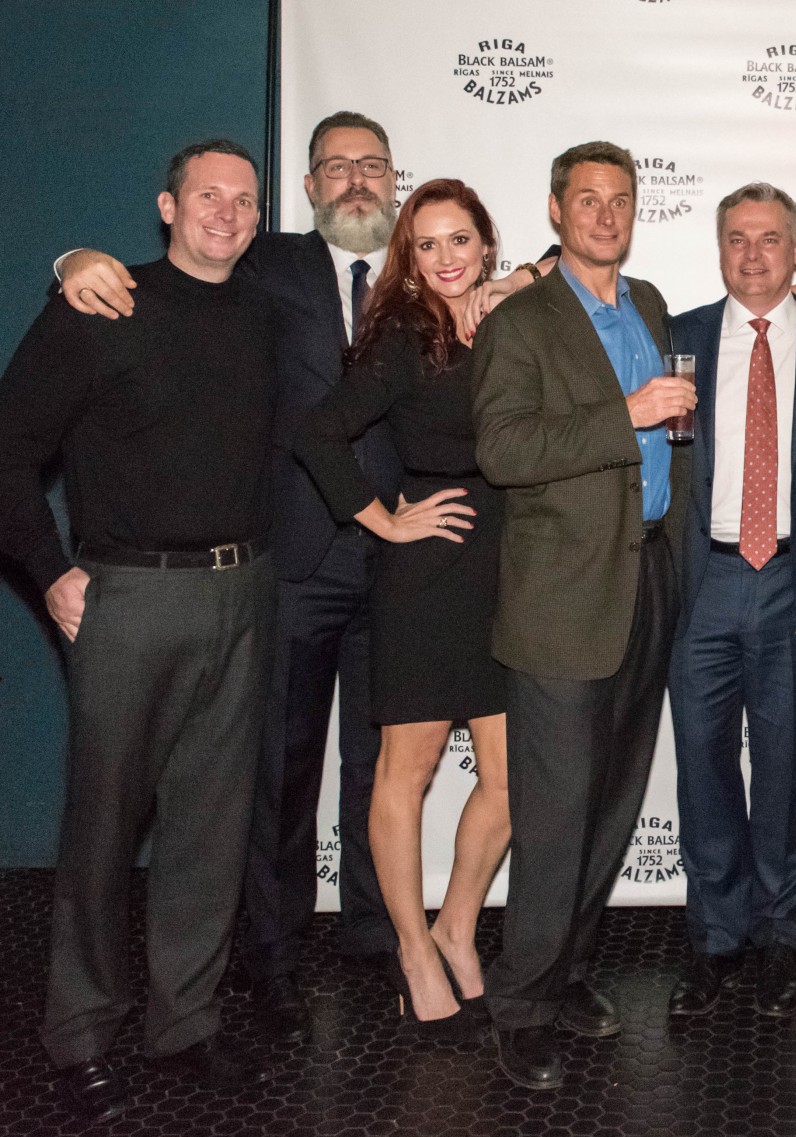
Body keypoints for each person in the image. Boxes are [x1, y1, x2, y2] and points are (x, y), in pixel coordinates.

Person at [56, 111, 555, 1042]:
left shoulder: (454, 298)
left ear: (394, 182)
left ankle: (381, 935)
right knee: (279, 771)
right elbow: (178, 266)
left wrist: (526, 273)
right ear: (310, 186)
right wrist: (73, 258)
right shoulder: (267, 262)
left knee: (382, 765)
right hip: (299, 551)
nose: (356, 180)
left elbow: (543, 275)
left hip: (419, 565)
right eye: (337, 167)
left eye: (373, 166)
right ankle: (274, 955)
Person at [0, 141, 277, 1122]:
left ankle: (185, 1022)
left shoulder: (264, 309)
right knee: (103, 830)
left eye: (244, 199)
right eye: (207, 194)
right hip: (128, 597)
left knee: (210, 829)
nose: (226, 212)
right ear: (167, 206)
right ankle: (79, 1034)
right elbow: (7, 448)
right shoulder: (99, 304)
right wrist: (50, 573)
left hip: (242, 593)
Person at [472, 141, 694, 1090]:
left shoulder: (649, 305)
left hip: (648, 579)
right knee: (557, 815)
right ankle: (520, 1006)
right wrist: (626, 413)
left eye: (621, 200)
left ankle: (566, 974)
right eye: (589, 200)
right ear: (557, 211)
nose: (607, 215)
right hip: (563, 598)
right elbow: (502, 449)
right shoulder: (520, 321)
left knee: (612, 805)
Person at [293, 178, 510, 1039]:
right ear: (408, 258)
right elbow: (317, 431)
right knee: (405, 774)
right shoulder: (400, 337)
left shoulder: (509, 321)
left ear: (486, 244)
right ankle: (415, 954)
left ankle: (457, 925)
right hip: (425, 576)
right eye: (427, 244)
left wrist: (525, 279)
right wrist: (382, 516)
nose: (446, 257)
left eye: (460, 239)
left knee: (512, 779)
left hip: (504, 572)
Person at [665, 183, 796, 1020]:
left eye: (771, 238)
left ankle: (777, 937)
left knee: (784, 769)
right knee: (700, 767)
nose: (753, 254)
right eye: (737, 237)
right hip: (703, 580)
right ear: (719, 248)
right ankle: (715, 938)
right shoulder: (678, 336)